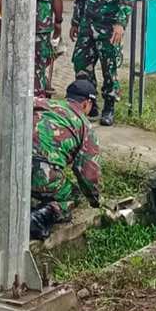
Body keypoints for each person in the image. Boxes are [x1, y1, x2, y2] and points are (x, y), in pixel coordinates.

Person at [71, 0, 136, 126]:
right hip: (87, 26)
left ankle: (109, 107)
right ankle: (90, 103)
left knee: (110, 69)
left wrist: (120, 24)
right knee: (81, 63)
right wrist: (75, 22)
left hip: (108, 29)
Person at [29, 79, 103, 240]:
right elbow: (88, 173)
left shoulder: (43, 103)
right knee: (74, 195)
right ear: (86, 104)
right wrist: (96, 200)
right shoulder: (84, 125)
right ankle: (38, 217)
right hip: (41, 174)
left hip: (12, 167)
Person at [0, 0, 64, 96]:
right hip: (41, 25)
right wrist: (58, 22)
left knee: (14, 63)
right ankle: (37, 100)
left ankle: (14, 98)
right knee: (38, 66)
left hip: (14, 23)